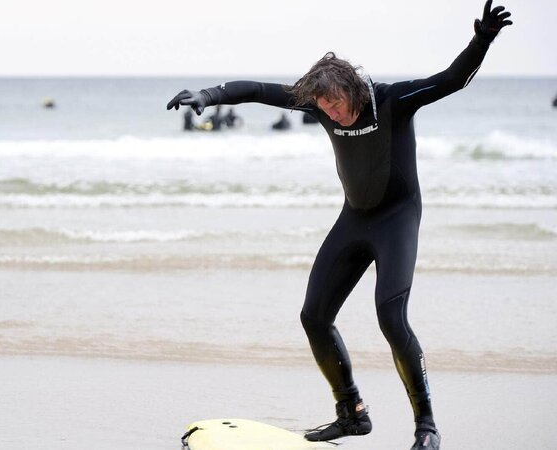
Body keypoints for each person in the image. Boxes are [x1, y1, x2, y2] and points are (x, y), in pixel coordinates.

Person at [166, 2, 511, 449]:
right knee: (314, 316)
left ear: (351, 89)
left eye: (336, 104)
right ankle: (352, 413)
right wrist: (209, 96)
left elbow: (450, 80)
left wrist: (481, 40)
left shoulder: (392, 100)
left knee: (390, 316)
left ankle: (426, 426)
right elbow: (256, 89)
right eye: (322, 107)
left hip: (397, 219)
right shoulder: (320, 104)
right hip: (354, 217)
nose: (331, 113)